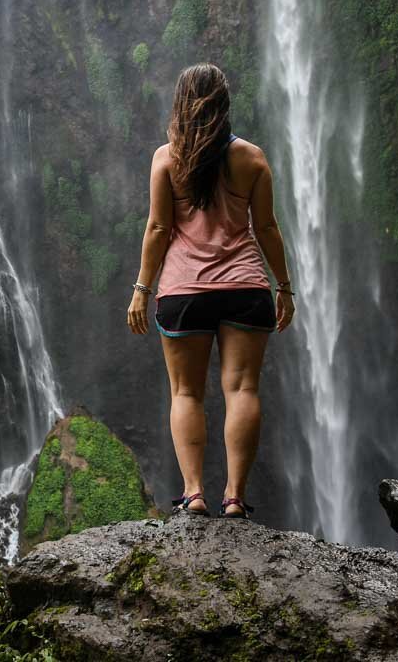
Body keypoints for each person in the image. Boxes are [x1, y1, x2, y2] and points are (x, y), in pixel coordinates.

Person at [125, 63, 294, 519]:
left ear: (181, 103)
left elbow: (159, 227)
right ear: (224, 103)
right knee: (242, 389)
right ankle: (235, 497)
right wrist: (285, 286)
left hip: (183, 293)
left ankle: (195, 493)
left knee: (186, 393)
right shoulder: (253, 159)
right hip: (246, 288)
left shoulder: (166, 159)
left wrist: (142, 288)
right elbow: (267, 228)